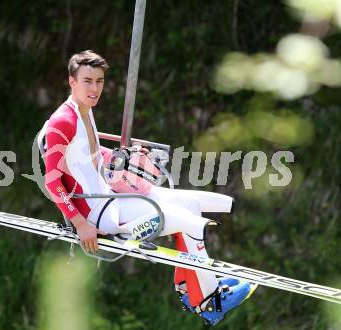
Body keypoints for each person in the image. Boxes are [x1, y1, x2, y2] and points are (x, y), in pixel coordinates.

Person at [42, 50, 254, 325]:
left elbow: (90, 155)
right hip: (100, 214)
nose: (95, 89)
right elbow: (51, 179)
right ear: (72, 82)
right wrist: (80, 223)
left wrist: (123, 159)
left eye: (100, 81)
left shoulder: (85, 112)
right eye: (87, 81)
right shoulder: (63, 121)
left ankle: (192, 287)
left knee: (191, 207)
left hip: (110, 197)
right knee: (191, 223)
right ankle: (208, 302)